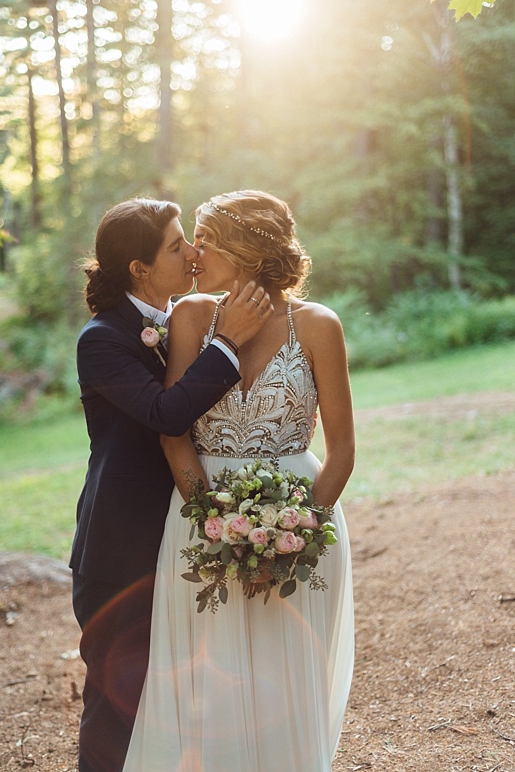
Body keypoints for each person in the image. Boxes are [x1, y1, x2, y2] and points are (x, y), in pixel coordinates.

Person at [122, 190, 355, 771]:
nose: (195, 251)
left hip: (303, 523)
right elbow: (173, 432)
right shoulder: (192, 316)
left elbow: (343, 451)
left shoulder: (319, 326)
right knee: (207, 678)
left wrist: (295, 535)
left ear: (246, 250)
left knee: (285, 676)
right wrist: (211, 522)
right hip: (199, 517)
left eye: (207, 238)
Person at [71, 197, 273, 772]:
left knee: (184, 697)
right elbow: (166, 415)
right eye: (177, 244)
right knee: (119, 702)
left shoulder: (188, 317)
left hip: (184, 537)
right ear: (139, 268)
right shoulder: (103, 339)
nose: (193, 252)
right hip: (122, 550)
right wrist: (228, 344)